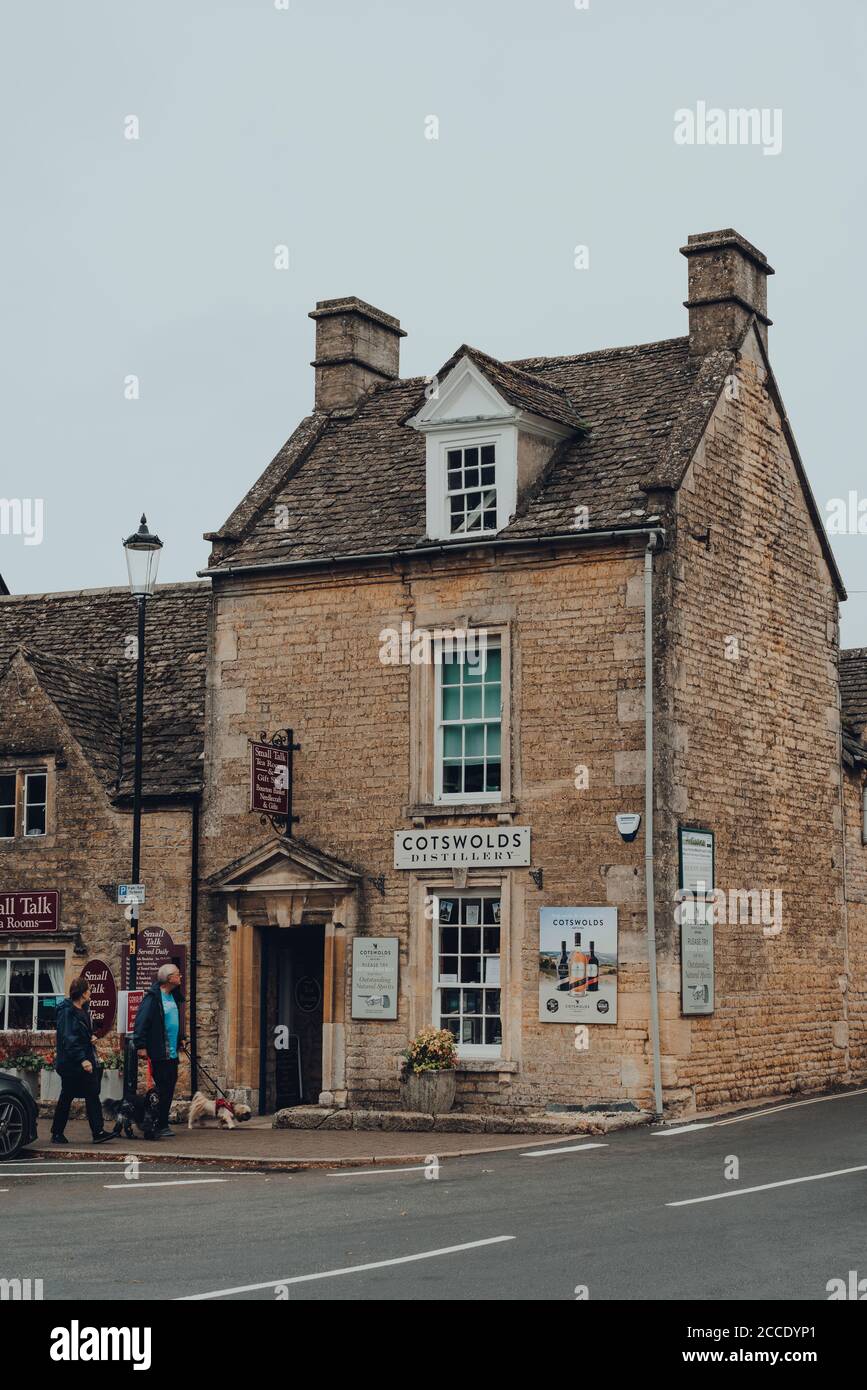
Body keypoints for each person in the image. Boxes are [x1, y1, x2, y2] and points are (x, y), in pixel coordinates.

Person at [52, 978, 115, 1144]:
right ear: (82, 992)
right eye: (88, 989)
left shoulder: (83, 1009)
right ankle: (93, 1132)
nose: (91, 992)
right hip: (73, 1063)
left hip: (82, 1060)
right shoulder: (67, 1012)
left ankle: (93, 1131)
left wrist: (91, 1036)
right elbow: (68, 1039)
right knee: (71, 1096)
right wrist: (83, 1060)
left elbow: (81, 1033)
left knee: (89, 1094)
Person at [132, 962, 185, 1139]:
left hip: (171, 1052)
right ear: (169, 978)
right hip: (159, 1051)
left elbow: (176, 1020)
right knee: (162, 1088)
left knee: (169, 1087)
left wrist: (182, 1037)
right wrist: (140, 1045)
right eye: (178, 974)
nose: (181, 976)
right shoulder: (153, 998)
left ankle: (160, 1122)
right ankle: (155, 1122)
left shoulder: (174, 996)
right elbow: (141, 1021)